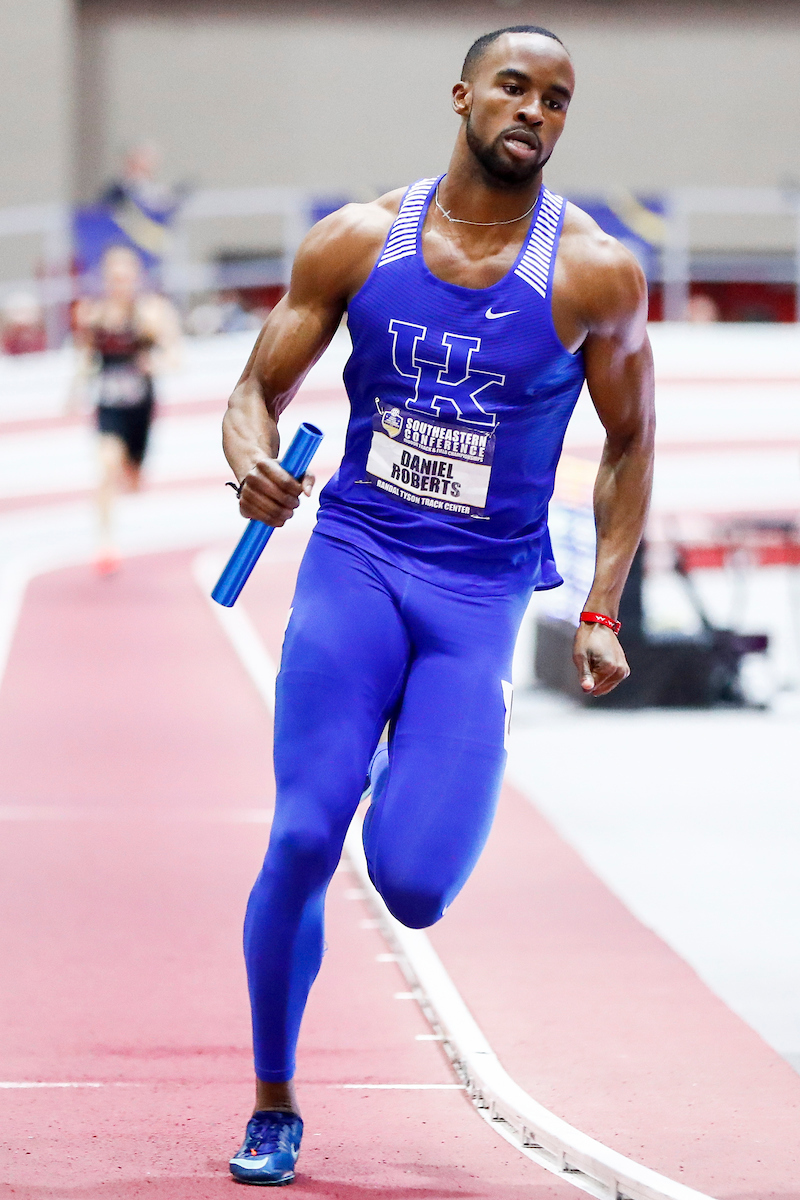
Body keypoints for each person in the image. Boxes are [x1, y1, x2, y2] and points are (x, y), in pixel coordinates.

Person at [222, 25, 654, 1185]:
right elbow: (257, 390)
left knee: (412, 887)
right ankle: (272, 1102)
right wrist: (250, 458)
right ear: (462, 95)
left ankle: (452, 731)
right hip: (355, 560)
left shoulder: (592, 272)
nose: (534, 110)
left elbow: (629, 439)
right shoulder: (358, 242)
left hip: (478, 593)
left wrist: (602, 605)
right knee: (305, 832)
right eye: (514, 86)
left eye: (557, 99)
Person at [72, 245, 181, 573]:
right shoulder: (93, 314)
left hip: (140, 408)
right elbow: (85, 358)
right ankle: (105, 545)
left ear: (136, 278)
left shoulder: (152, 313)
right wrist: (73, 391)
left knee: (132, 480)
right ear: (105, 279)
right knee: (106, 465)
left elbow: (176, 357)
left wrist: (155, 363)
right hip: (108, 407)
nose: (120, 283)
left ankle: (133, 468)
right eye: (113, 277)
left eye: (126, 276)